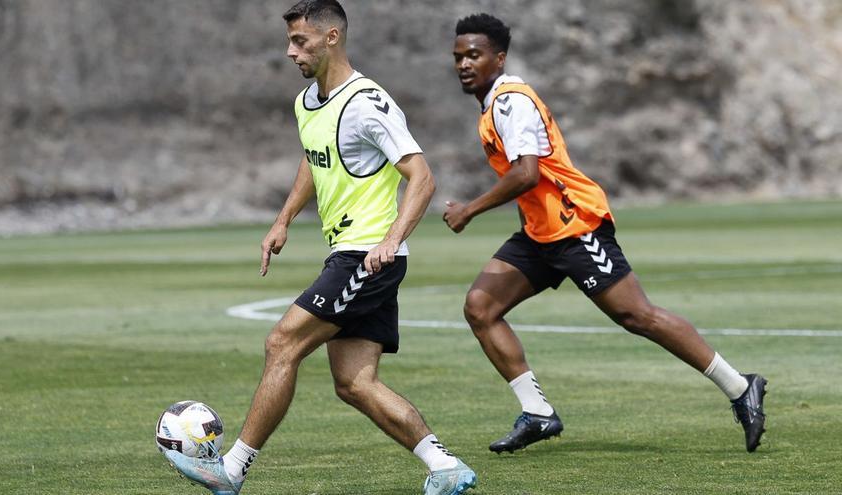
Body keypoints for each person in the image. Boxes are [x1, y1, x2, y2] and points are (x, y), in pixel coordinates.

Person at [164, 2, 477, 494]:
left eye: (301, 42)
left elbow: (422, 176)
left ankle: (232, 470)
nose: (291, 52)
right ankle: (446, 467)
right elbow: (313, 159)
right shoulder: (307, 101)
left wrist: (392, 240)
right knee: (354, 383)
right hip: (348, 253)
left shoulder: (367, 102)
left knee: (281, 343)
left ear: (332, 37)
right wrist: (283, 219)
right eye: (289, 41)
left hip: (367, 255)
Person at [443, 13, 767, 454]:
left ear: (498, 58)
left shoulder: (510, 102)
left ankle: (738, 385)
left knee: (637, 316)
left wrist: (470, 210)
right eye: (459, 56)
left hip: (575, 225)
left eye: (474, 55)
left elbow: (525, 173)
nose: (463, 63)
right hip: (540, 233)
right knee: (480, 307)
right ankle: (537, 413)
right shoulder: (492, 106)